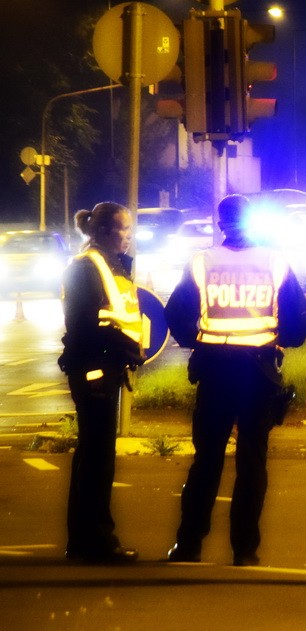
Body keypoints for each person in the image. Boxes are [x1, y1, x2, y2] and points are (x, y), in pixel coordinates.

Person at [165, 195, 306, 567]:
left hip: (214, 370)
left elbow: (175, 313)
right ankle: (245, 549)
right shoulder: (275, 261)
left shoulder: (202, 262)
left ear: (220, 225)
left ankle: (189, 545)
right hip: (259, 372)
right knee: (252, 462)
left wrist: (197, 342)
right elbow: (297, 323)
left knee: (207, 460)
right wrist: (280, 339)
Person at [59, 202, 145, 564]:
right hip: (95, 370)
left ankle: (84, 539)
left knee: (93, 456)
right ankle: (97, 540)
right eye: (120, 230)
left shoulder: (109, 266)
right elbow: (85, 326)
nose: (126, 237)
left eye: (128, 231)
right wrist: (123, 347)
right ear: (102, 231)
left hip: (105, 367)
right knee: (98, 459)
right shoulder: (86, 268)